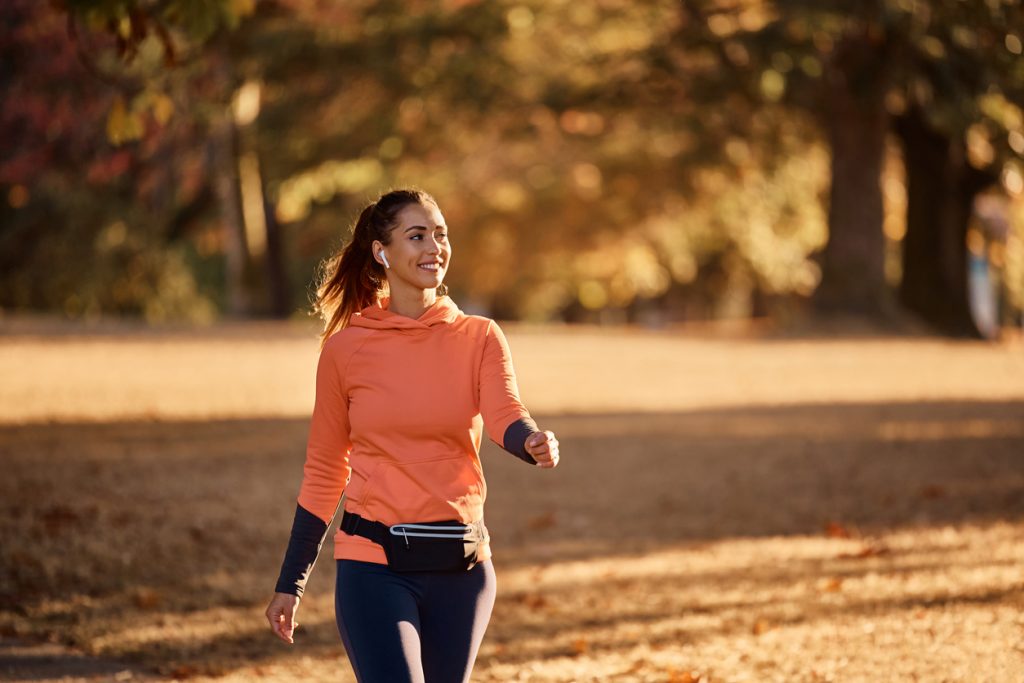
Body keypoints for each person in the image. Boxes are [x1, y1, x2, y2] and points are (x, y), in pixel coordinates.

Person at [264, 188, 560, 683]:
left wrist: (530, 441)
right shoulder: (345, 351)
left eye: (441, 235)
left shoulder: (480, 336)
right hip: (374, 566)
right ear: (381, 251)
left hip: (462, 566)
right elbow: (324, 470)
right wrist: (291, 583)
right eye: (417, 236)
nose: (434, 248)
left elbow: (505, 412)